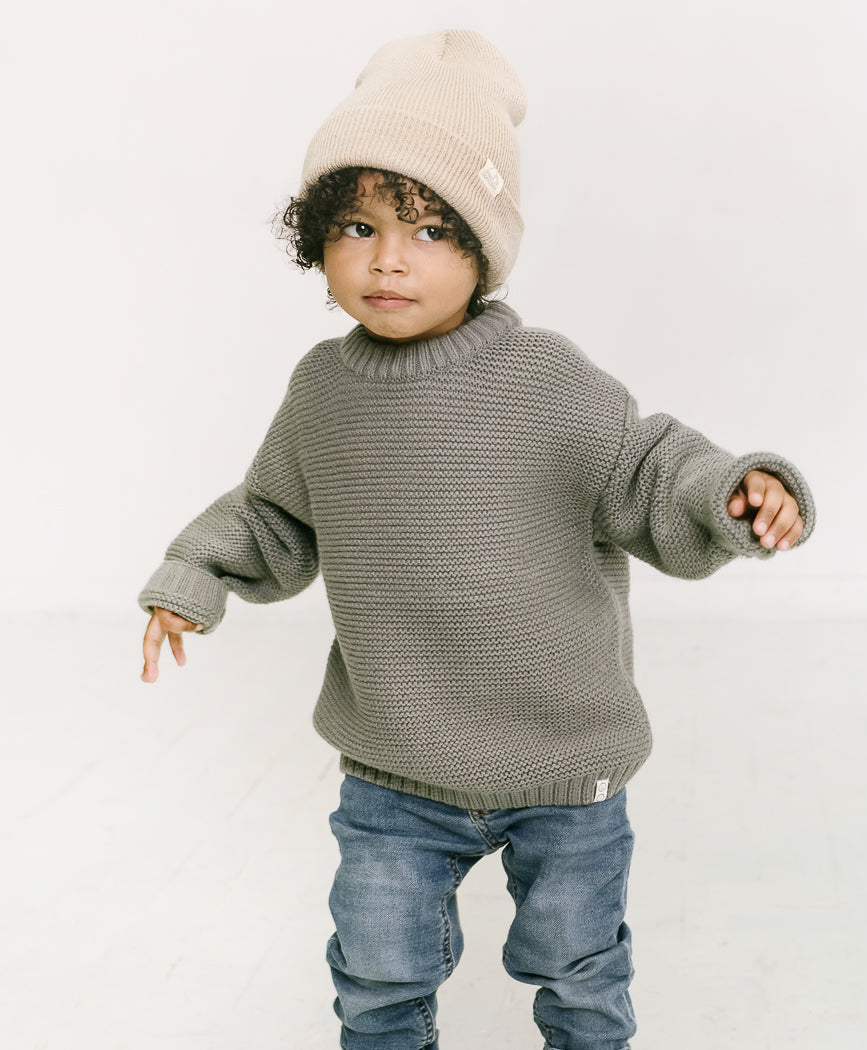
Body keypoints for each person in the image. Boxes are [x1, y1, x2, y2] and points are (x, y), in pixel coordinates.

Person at [138, 28, 815, 1050]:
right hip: (395, 771)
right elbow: (274, 514)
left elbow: (646, 467)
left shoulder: (543, 379)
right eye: (356, 226)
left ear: (484, 248)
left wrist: (735, 493)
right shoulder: (323, 395)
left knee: (580, 978)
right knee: (374, 977)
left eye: (428, 229)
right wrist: (192, 575)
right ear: (315, 241)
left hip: (564, 763)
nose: (388, 258)